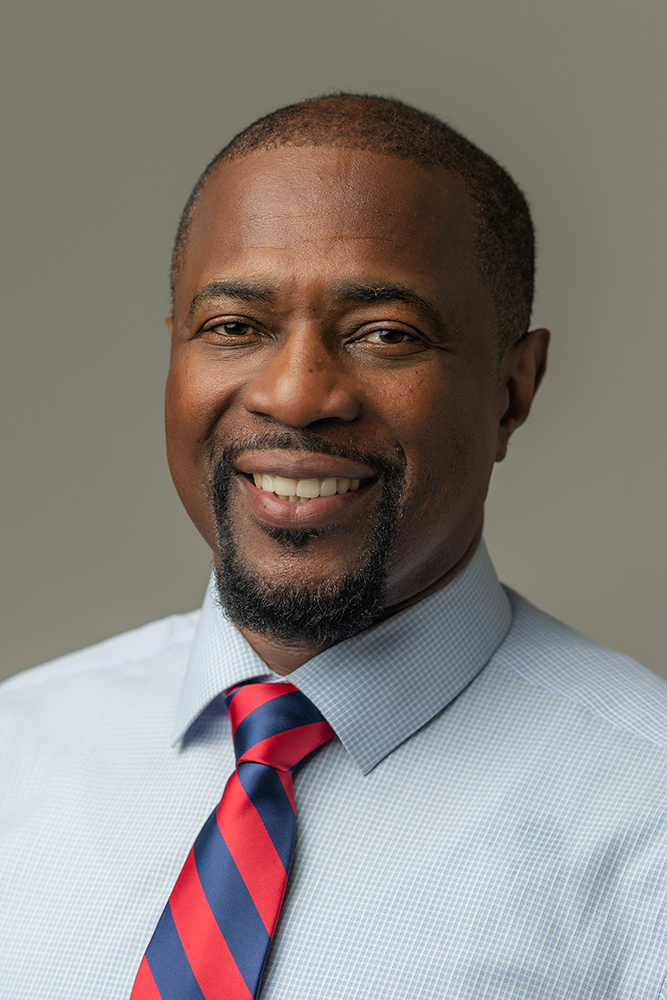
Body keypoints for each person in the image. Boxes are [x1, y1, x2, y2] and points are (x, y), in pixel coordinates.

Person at [2, 94, 667, 1000]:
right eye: (234, 327)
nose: (296, 392)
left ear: (513, 389)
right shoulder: (18, 751)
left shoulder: (644, 813)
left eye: (384, 335)